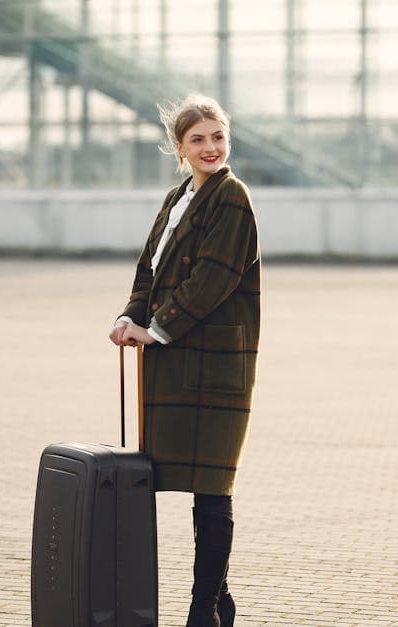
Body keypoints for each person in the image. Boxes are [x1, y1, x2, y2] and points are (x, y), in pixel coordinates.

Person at [108, 94, 260, 627]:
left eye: (218, 137)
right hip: (175, 359)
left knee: (213, 486)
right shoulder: (177, 199)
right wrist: (131, 317)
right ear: (179, 148)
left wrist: (157, 328)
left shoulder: (232, 198)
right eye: (198, 139)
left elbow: (213, 279)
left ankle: (202, 613)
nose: (211, 147)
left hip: (215, 363)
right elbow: (147, 271)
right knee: (195, 482)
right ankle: (221, 606)